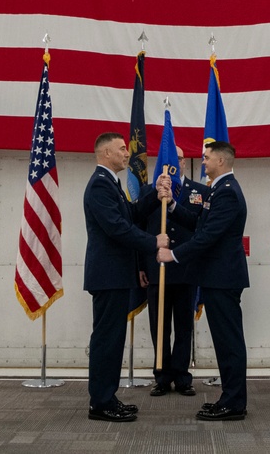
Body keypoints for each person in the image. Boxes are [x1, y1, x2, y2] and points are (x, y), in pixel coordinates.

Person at [157, 141, 249, 421]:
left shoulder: (228, 192)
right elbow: (200, 224)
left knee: (229, 341)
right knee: (224, 341)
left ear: (221, 161)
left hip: (223, 278)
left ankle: (234, 403)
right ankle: (229, 398)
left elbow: (208, 237)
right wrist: (172, 204)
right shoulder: (219, 189)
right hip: (216, 277)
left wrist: (172, 254)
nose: (203, 161)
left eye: (207, 158)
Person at [83, 132, 168, 422]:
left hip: (115, 275)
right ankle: (101, 402)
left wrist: (155, 196)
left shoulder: (111, 184)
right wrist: (153, 241)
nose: (126, 154)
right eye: (121, 149)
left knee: (113, 339)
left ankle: (107, 396)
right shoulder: (99, 185)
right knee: (107, 340)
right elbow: (117, 228)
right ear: (105, 153)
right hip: (108, 276)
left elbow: (130, 214)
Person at [140, 146, 208, 398]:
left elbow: (200, 227)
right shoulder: (149, 192)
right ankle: (161, 375)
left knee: (183, 326)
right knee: (159, 326)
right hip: (156, 268)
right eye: (169, 158)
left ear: (183, 161)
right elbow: (140, 229)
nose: (174, 163)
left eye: (178, 158)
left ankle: (181, 376)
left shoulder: (199, 192)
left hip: (185, 268)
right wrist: (140, 266)